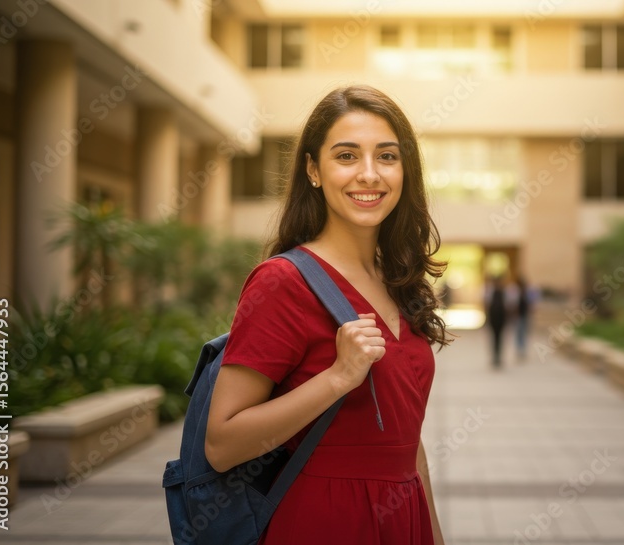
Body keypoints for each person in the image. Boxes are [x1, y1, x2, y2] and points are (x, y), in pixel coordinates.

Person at [205, 85, 449, 545]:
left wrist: (433, 535)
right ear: (314, 170)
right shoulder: (282, 282)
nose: (370, 174)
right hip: (326, 522)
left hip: (403, 517)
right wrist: (338, 377)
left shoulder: (398, 279)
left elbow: (407, 442)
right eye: (346, 156)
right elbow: (221, 445)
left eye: (388, 156)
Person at [486, 275, 507, 368]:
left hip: (501, 317)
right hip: (494, 317)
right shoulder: (490, 291)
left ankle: (498, 355)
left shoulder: (505, 292)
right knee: (494, 337)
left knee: (499, 337)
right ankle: (495, 356)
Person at [514, 277, 535, 360]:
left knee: (523, 333)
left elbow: (532, 304)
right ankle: (519, 349)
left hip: (524, 316)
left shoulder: (528, 293)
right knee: (519, 333)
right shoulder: (515, 293)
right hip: (519, 316)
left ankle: (522, 349)